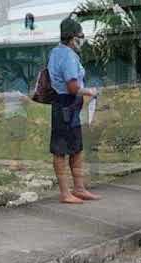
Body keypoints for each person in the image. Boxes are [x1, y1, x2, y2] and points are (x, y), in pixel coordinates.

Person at [48, 18, 100, 204]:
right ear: (71, 38)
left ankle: (79, 188)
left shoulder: (56, 52)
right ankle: (65, 192)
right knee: (61, 150)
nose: (82, 40)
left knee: (76, 148)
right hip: (66, 104)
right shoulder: (68, 56)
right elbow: (71, 86)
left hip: (67, 106)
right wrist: (90, 91)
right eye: (80, 36)